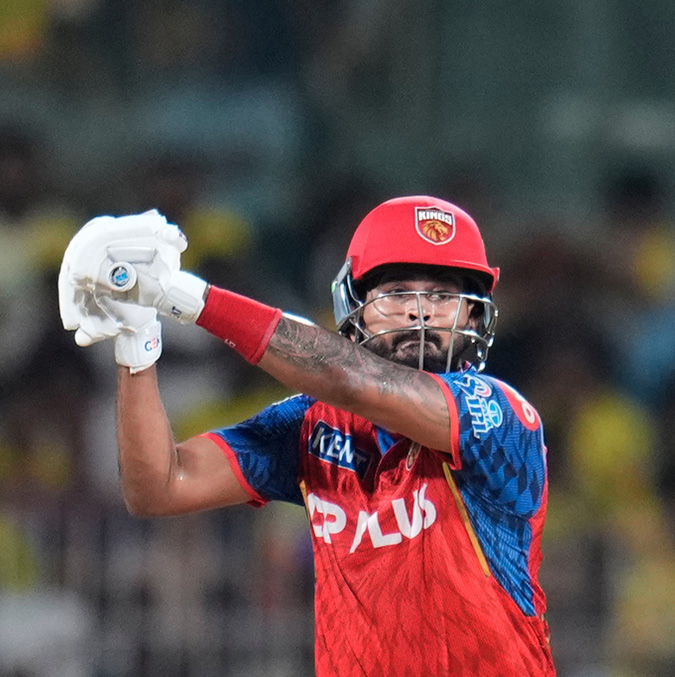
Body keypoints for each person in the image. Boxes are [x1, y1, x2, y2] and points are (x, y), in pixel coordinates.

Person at [57, 196, 555, 676]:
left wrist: (182, 296)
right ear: (355, 307)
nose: (419, 313)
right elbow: (158, 487)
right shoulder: (311, 426)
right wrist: (136, 340)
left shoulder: (500, 415)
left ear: (473, 315)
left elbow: (355, 382)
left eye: (443, 296)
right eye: (398, 292)